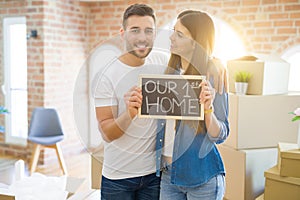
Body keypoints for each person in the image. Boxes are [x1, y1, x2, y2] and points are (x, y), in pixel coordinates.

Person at [92, 4, 227, 200]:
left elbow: (196, 56)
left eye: (149, 31)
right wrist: (129, 113)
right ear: (122, 33)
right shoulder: (107, 75)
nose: (142, 37)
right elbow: (106, 132)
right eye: (134, 30)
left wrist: (216, 62)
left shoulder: (165, 64)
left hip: (155, 175)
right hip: (120, 177)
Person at [156, 10, 229, 200]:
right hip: (168, 177)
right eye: (174, 30)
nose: (171, 37)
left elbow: (221, 134)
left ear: (197, 42)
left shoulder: (213, 78)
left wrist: (208, 110)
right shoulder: (168, 76)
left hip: (202, 180)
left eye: (179, 34)